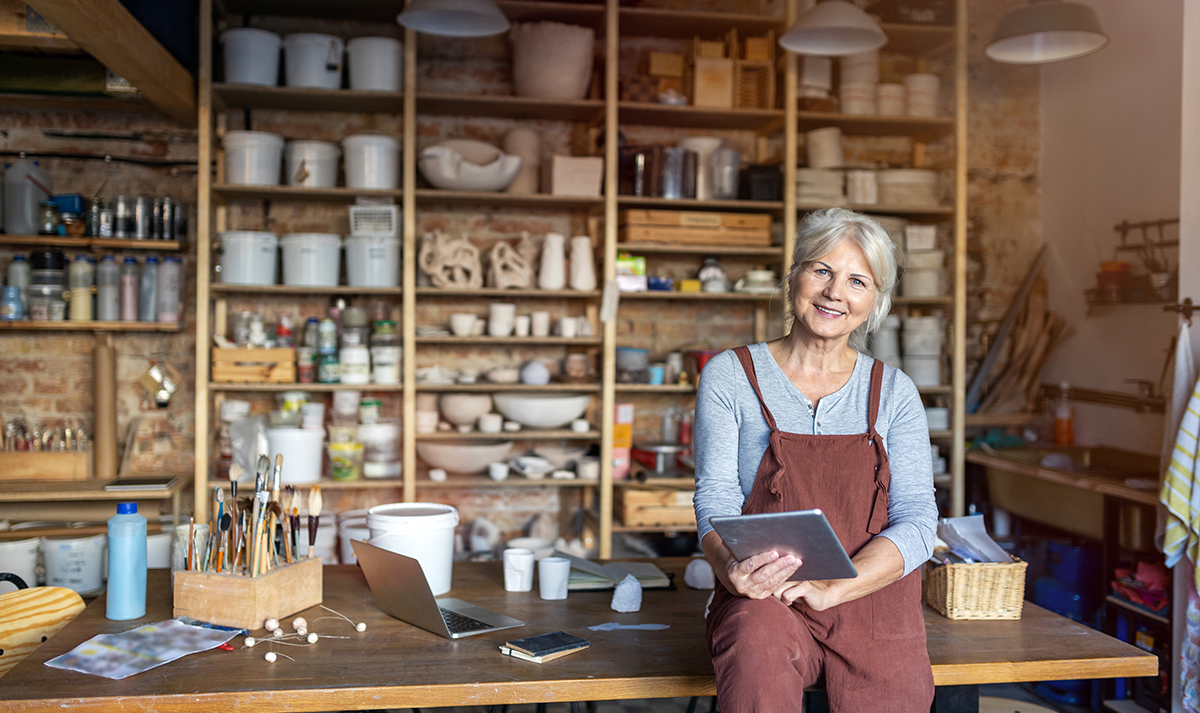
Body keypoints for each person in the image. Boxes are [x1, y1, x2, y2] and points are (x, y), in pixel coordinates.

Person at [693, 207, 938, 711]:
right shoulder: (731, 376)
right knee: (755, 646)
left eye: (857, 281)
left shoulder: (895, 392)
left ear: (873, 303)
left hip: (872, 601)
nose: (834, 292)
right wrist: (727, 566)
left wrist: (834, 587)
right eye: (821, 270)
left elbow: (918, 519)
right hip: (769, 597)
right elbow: (715, 496)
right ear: (794, 276)